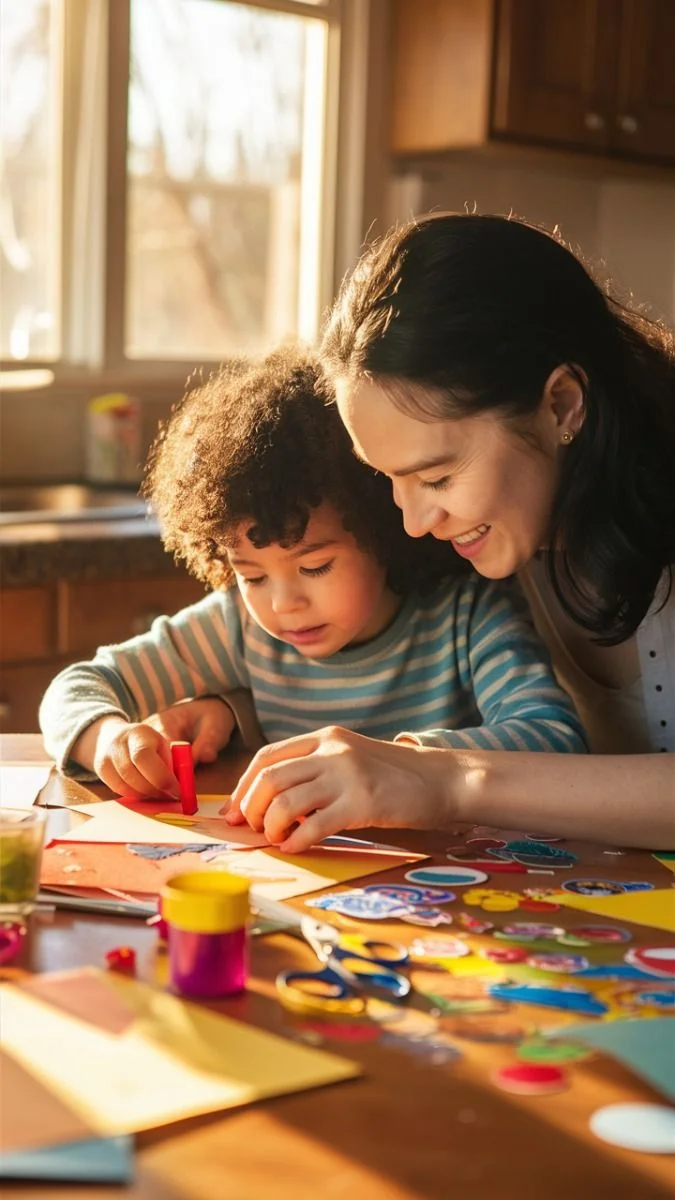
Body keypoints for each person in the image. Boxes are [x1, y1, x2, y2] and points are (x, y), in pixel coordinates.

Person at [225, 214, 675, 851]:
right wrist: (232, 708)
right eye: (389, 479)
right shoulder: (502, 535)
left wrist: (451, 781)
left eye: (436, 477)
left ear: (561, 405)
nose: (412, 523)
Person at [39, 348, 586, 802]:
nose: (283, 603)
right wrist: (106, 737)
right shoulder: (239, 628)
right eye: (251, 576)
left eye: (315, 566)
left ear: (382, 530)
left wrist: (404, 764)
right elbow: (78, 686)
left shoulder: (466, 616)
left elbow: (555, 741)